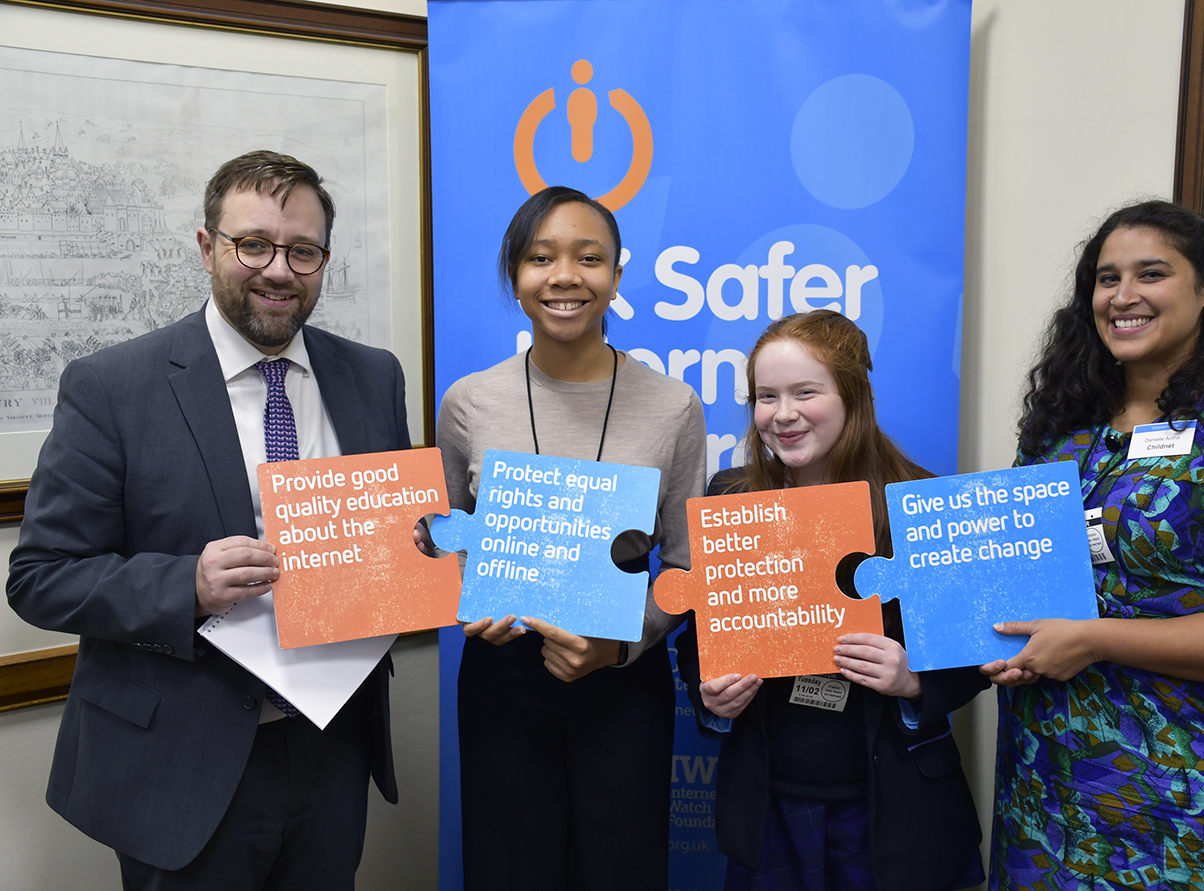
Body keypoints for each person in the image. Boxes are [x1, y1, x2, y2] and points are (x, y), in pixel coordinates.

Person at [6, 150, 408, 890]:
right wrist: (185, 583)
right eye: (252, 243)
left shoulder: (373, 374)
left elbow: (387, 540)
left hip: (330, 749)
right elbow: (39, 578)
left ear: (324, 259)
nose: (278, 270)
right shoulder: (112, 386)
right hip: (184, 764)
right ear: (206, 247)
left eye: (303, 250)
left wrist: (422, 550)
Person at [984, 201, 1204, 890]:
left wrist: (1096, 637)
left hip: (1189, 802)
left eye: (1151, 273)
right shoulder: (1064, 426)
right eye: (1106, 278)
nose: (1123, 296)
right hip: (1048, 789)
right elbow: (1019, 576)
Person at [436, 185, 706, 890]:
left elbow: (685, 569)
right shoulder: (468, 402)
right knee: (506, 868)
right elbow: (448, 544)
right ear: (515, 276)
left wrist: (621, 646)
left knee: (622, 870)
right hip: (504, 681)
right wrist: (469, 600)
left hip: (622, 682)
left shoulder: (674, 404)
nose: (565, 276)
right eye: (540, 257)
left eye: (589, 258)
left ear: (616, 275)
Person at [676, 310, 989, 891]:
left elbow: (974, 654)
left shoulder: (916, 500)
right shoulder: (732, 497)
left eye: (805, 392)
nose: (783, 414)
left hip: (893, 808)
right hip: (769, 802)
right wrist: (711, 692)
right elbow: (698, 640)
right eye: (765, 396)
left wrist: (915, 677)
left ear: (853, 396)